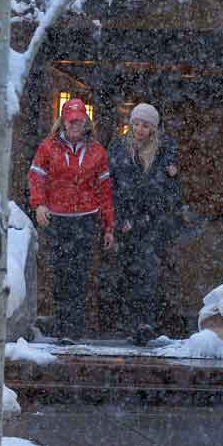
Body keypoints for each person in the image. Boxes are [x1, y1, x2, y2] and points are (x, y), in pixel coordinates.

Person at [28, 97, 114, 341]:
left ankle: (73, 329)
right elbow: (36, 178)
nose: (75, 125)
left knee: (79, 274)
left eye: (79, 121)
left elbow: (105, 191)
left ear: (86, 122)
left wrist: (109, 226)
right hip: (58, 219)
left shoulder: (97, 152)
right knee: (59, 273)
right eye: (71, 121)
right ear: (63, 122)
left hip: (86, 220)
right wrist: (39, 204)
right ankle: (61, 324)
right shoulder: (48, 147)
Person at [108, 102, 182, 346]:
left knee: (148, 274)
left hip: (153, 224)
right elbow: (112, 186)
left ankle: (145, 324)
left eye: (145, 126)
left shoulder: (164, 151)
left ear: (153, 129)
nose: (140, 129)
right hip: (126, 222)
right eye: (137, 124)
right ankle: (130, 323)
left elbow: (170, 191)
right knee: (127, 273)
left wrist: (154, 212)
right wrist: (120, 219)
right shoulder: (119, 148)